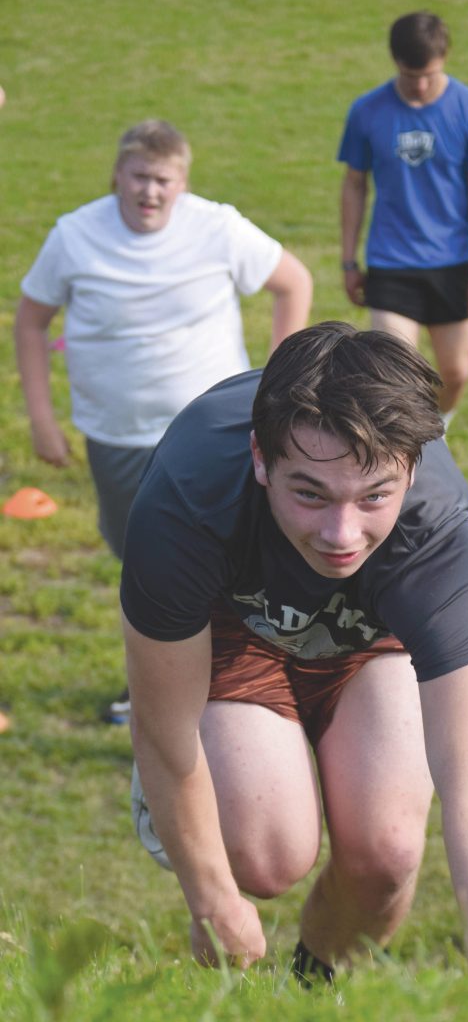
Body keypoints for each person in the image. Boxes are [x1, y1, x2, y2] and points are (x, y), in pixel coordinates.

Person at [120, 321, 468, 987]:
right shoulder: (186, 500)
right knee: (265, 858)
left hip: (368, 634)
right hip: (234, 624)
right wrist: (212, 898)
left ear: (411, 470)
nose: (342, 533)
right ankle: (193, 811)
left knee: (388, 855)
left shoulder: (437, 535)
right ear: (260, 459)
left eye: (374, 497)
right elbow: (163, 734)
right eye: (309, 493)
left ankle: (308, 994)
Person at [14, 118, 312, 721]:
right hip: (117, 436)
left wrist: (278, 383)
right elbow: (29, 320)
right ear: (117, 176)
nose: (150, 192)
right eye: (140, 177)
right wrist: (42, 420)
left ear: (183, 183)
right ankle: (156, 689)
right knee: (144, 568)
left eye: (163, 180)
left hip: (211, 432)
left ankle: (245, 682)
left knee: (226, 559)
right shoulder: (75, 236)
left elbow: (293, 282)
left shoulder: (217, 227)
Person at [337, 11, 468, 426]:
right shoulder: (367, 111)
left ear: (444, 58)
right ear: (395, 62)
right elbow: (355, 185)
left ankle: (438, 433)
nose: (421, 85)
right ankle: (411, 456)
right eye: (411, 75)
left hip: (453, 264)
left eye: (429, 74)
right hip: (392, 263)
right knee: (396, 375)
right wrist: (349, 261)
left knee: (456, 374)